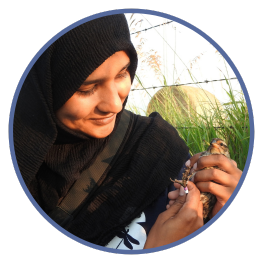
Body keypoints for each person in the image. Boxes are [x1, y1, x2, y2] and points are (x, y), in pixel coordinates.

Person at [13, 14, 242, 250]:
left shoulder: (157, 147)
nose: (114, 105)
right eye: (87, 88)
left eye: (122, 74)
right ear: (42, 89)